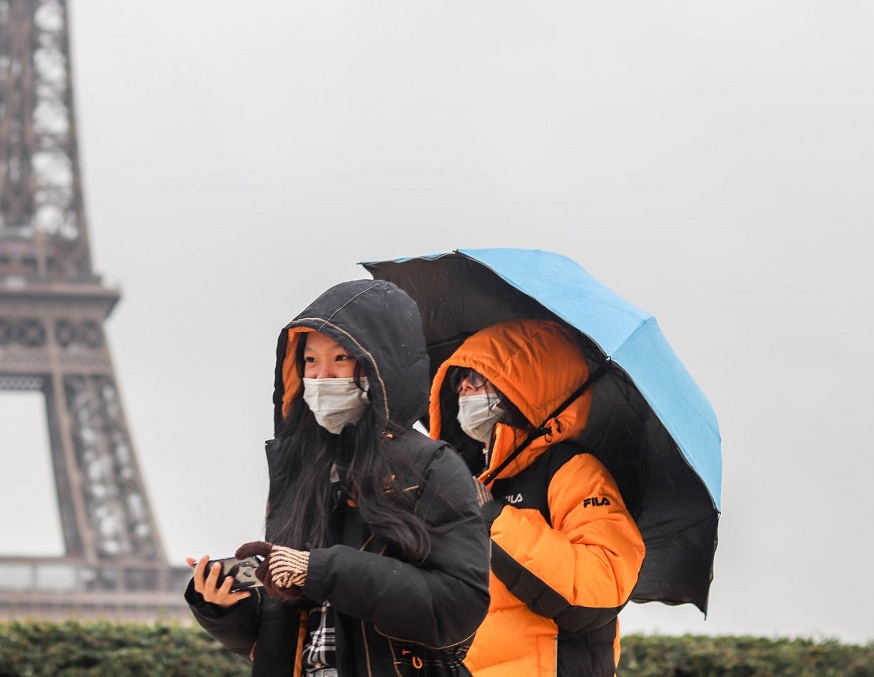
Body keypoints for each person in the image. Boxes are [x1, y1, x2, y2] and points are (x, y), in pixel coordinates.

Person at [185, 279, 490, 676]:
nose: (322, 375)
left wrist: (323, 571)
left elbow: (457, 607)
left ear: (381, 364)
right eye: (310, 361)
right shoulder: (300, 468)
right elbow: (287, 634)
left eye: (341, 357)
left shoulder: (432, 465)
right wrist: (224, 610)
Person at [427, 319, 645, 677]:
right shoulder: (467, 478)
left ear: (526, 385)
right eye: (459, 377)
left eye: (479, 375)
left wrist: (492, 518)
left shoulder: (573, 471)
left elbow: (599, 588)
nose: (464, 385)